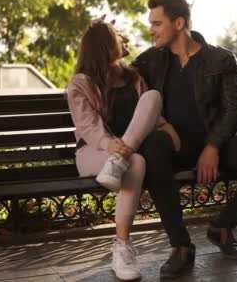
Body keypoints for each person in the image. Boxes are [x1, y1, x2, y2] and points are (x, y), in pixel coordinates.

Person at [132, 0, 237, 279]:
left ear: (178, 23)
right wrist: (104, 38)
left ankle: (222, 226)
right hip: (174, 146)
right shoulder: (150, 61)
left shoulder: (221, 59)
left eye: (157, 23)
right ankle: (180, 246)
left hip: (217, 141)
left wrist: (213, 146)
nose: (151, 30)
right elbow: (116, 78)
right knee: (153, 146)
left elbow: (234, 109)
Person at [66, 19, 180, 280]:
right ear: (105, 45)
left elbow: (149, 113)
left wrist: (166, 127)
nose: (124, 39)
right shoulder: (80, 84)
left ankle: (122, 247)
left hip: (124, 154)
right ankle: (122, 248)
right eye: (118, 36)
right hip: (93, 152)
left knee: (151, 101)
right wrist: (109, 145)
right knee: (135, 162)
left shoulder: (133, 77)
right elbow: (87, 127)